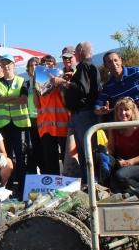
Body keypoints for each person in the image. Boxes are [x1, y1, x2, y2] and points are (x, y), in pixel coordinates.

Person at [95, 51, 139, 190]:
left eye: (115, 60)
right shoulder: (109, 85)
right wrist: (100, 110)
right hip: (129, 125)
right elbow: (97, 106)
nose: (113, 64)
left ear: (121, 60)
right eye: (109, 62)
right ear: (106, 65)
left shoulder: (137, 72)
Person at [52, 42, 100, 182]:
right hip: (79, 114)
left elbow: (82, 89)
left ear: (78, 52)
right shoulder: (87, 67)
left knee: (86, 151)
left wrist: (62, 82)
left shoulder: (84, 66)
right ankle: (88, 182)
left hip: (84, 113)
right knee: (84, 151)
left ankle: (92, 183)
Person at [0, 54, 31, 196]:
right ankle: (6, 187)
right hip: (3, 125)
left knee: (20, 157)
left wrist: (4, 99)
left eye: (8, 63)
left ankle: (22, 187)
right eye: (3, 63)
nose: (6, 66)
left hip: (19, 125)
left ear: (14, 65)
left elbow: (24, 100)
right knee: (5, 158)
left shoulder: (22, 81)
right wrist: (14, 98)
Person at [104, 97, 139, 194]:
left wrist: (129, 162)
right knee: (107, 174)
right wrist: (103, 154)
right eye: (120, 110)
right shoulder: (113, 128)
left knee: (120, 175)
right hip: (121, 162)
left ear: (133, 112)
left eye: (126, 110)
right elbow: (111, 150)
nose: (123, 113)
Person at [35, 55, 70, 174]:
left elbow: (66, 102)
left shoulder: (62, 78)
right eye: (44, 63)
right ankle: (52, 185)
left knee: (67, 159)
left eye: (50, 63)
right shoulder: (39, 81)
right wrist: (34, 86)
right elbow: (37, 104)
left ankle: (68, 184)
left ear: (55, 65)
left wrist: (60, 85)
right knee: (50, 160)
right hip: (45, 126)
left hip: (62, 124)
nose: (47, 65)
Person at [25, 56, 42, 174]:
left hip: (43, 119)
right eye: (31, 65)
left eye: (36, 65)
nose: (34, 67)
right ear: (28, 69)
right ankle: (32, 176)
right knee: (32, 149)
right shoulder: (25, 85)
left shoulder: (43, 83)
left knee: (43, 148)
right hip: (29, 120)